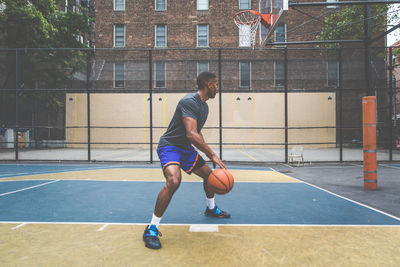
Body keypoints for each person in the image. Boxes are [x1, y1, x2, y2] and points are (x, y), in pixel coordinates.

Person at [143, 72, 230, 249]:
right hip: (170, 146)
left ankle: (211, 208)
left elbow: (196, 134)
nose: (217, 88)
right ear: (208, 84)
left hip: (185, 150)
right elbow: (191, 133)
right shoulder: (189, 101)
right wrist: (211, 154)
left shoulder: (204, 107)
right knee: (174, 180)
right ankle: (151, 228)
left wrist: (204, 152)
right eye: (215, 84)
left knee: (210, 177)